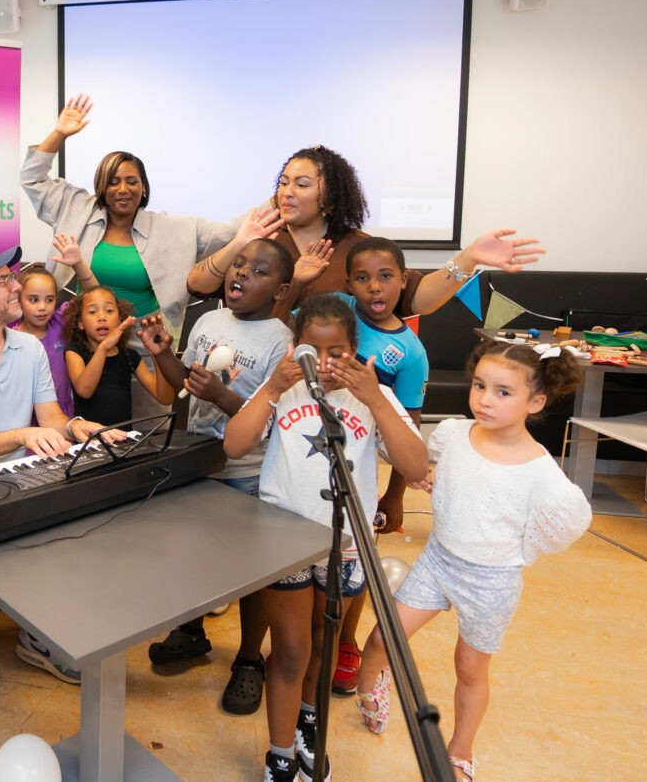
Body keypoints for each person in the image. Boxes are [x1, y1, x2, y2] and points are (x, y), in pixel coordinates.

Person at [354, 340, 590, 782]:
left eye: (503, 392)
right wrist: (427, 478)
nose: (484, 399)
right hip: (438, 561)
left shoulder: (542, 473)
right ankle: (369, 689)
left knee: (469, 667)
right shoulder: (455, 434)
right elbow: (430, 465)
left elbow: (565, 525)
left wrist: (517, 550)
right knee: (383, 639)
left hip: (492, 581)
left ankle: (460, 750)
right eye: (479, 385)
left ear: (535, 402)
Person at [222, 295, 429, 782]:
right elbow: (234, 444)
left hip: (346, 542)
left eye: (337, 352)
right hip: (284, 539)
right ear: (294, 348)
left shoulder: (371, 396)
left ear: (355, 351)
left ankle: (309, 723)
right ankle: (279, 754)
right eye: (311, 351)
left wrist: (375, 398)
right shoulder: (285, 389)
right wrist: (274, 386)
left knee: (325, 640)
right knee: (291, 649)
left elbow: (416, 464)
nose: (324, 363)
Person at [0, 247, 117, 682]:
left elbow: (51, 419)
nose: (16, 286)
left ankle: (37, 634)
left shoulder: (29, 348)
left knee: (66, 531)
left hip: (11, 475)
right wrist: (23, 435)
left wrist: (81, 427)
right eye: (5, 280)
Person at [137, 237, 295, 715]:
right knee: (194, 556)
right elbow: (185, 383)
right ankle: (191, 630)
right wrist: (164, 356)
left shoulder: (281, 342)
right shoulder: (208, 320)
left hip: (247, 473)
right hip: (199, 464)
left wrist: (222, 396)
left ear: (281, 290)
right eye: (239, 264)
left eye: (259, 271)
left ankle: (249, 659)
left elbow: (270, 420)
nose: (241, 273)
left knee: (251, 574)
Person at [186, 144, 545, 320]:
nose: (287, 192)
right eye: (283, 182)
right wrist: (240, 242)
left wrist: (468, 258)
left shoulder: (358, 248)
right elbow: (197, 285)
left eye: (302, 184)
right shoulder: (261, 239)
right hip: (257, 381)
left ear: (329, 197)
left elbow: (417, 299)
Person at [21, 94, 266, 351]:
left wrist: (281, 197)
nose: (123, 189)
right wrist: (59, 133)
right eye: (113, 182)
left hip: (144, 339)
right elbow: (31, 179)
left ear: (144, 187)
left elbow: (230, 231)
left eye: (132, 181)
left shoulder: (173, 229)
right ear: (101, 187)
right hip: (86, 337)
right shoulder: (76, 207)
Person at [324, 238, 430, 695]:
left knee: (356, 558)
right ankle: (306, 643)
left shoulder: (411, 352)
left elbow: (409, 431)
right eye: (363, 278)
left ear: (403, 281)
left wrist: (395, 495)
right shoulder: (336, 307)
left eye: (385, 277)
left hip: (361, 469)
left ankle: (345, 642)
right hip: (310, 451)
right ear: (349, 284)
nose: (374, 287)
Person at [13, 233, 97, 418]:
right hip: (26, 424)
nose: (42, 307)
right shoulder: (10, 339)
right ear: (18, 300)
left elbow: (95, 296)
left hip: (63, 418)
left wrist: (78, 264)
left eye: (49, 299)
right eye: (33, 299)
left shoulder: (60, 322)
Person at [62, 285, 172, 424]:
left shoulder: (129, 356)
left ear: (120, 319)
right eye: (92, 311)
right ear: (80, 323)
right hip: (88, 436)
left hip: (123, 436)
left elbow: (165, 398)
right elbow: (84, 391)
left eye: (109, 310)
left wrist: (158, 355)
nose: (102, 317)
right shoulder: (75, 351)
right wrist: (103, 348)